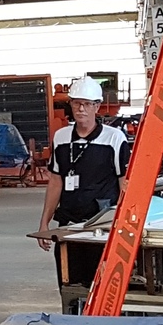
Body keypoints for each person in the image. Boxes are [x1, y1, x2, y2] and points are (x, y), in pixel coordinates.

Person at [36, 75, 132, 305]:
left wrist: (127, 226)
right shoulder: (61, 138)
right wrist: (44, 223)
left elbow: (124, 183)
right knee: (69, 287)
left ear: (97, 107)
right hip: (69, 225)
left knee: (101, 288)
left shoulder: (114, 139)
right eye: (77, 103)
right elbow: (56, 181)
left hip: (102, 227)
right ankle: (71, 321)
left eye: (87, 104)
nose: (81, 109)